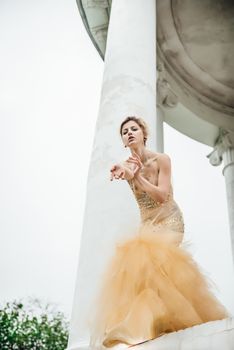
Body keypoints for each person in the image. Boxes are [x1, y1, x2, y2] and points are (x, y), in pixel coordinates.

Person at [90, 116, 228, 348]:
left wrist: (137, 177)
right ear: (124, 141)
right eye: (125, 132)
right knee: (139, 272)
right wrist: (120, 171)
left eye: (134, 129)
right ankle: (148, 325)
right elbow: (124, 172)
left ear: (144, 134)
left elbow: (162, 196)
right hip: (147, 224)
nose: (130, 133)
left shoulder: (161, 159)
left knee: (158, 263)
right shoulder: (127, 165)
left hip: (169, 220)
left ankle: (176, 319)